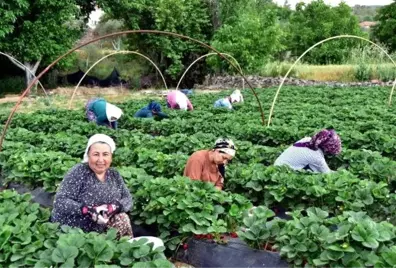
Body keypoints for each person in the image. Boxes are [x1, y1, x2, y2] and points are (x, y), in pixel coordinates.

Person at [51, 134, 133, 239]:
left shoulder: (114, 174)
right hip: (76, 230)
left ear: (111, 157)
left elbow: (128, 199)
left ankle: (119, 251)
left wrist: (114, 207)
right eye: (96, 154)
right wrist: (87, 210)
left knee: (122, 218)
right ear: (88, 155)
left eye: (105, 154)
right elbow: (60, 201)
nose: (100, 160)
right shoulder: (78, 172)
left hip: (102, 225)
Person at [274, 129, 342, 173]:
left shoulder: (307, 139)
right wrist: (341, 173)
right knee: (316, 174)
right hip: (283, 171)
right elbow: (327, 173)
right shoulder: (316, 157)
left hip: (278, 163)